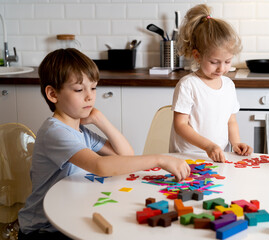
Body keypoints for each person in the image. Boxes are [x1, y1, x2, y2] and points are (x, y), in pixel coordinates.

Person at [18, 48, 190, 240]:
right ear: (53, 94)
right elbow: (100, 166)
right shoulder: (55, 132)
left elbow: (126, 156)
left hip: (68, 218)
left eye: (93, 88)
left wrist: (101, 120)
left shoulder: (81, 132)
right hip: (43, 229)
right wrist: (159, 159)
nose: (89, 96)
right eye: (78, 89)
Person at [169, 4, 253, 163]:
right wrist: (208, 146)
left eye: (227, 61)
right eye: (214, 62)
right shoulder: (188, 85)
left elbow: (231, 120)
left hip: (217, 157)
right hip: (187, 158)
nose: (222, 68)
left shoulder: (228, 86)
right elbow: (180, 125)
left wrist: (236, 143)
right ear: (197, 56)